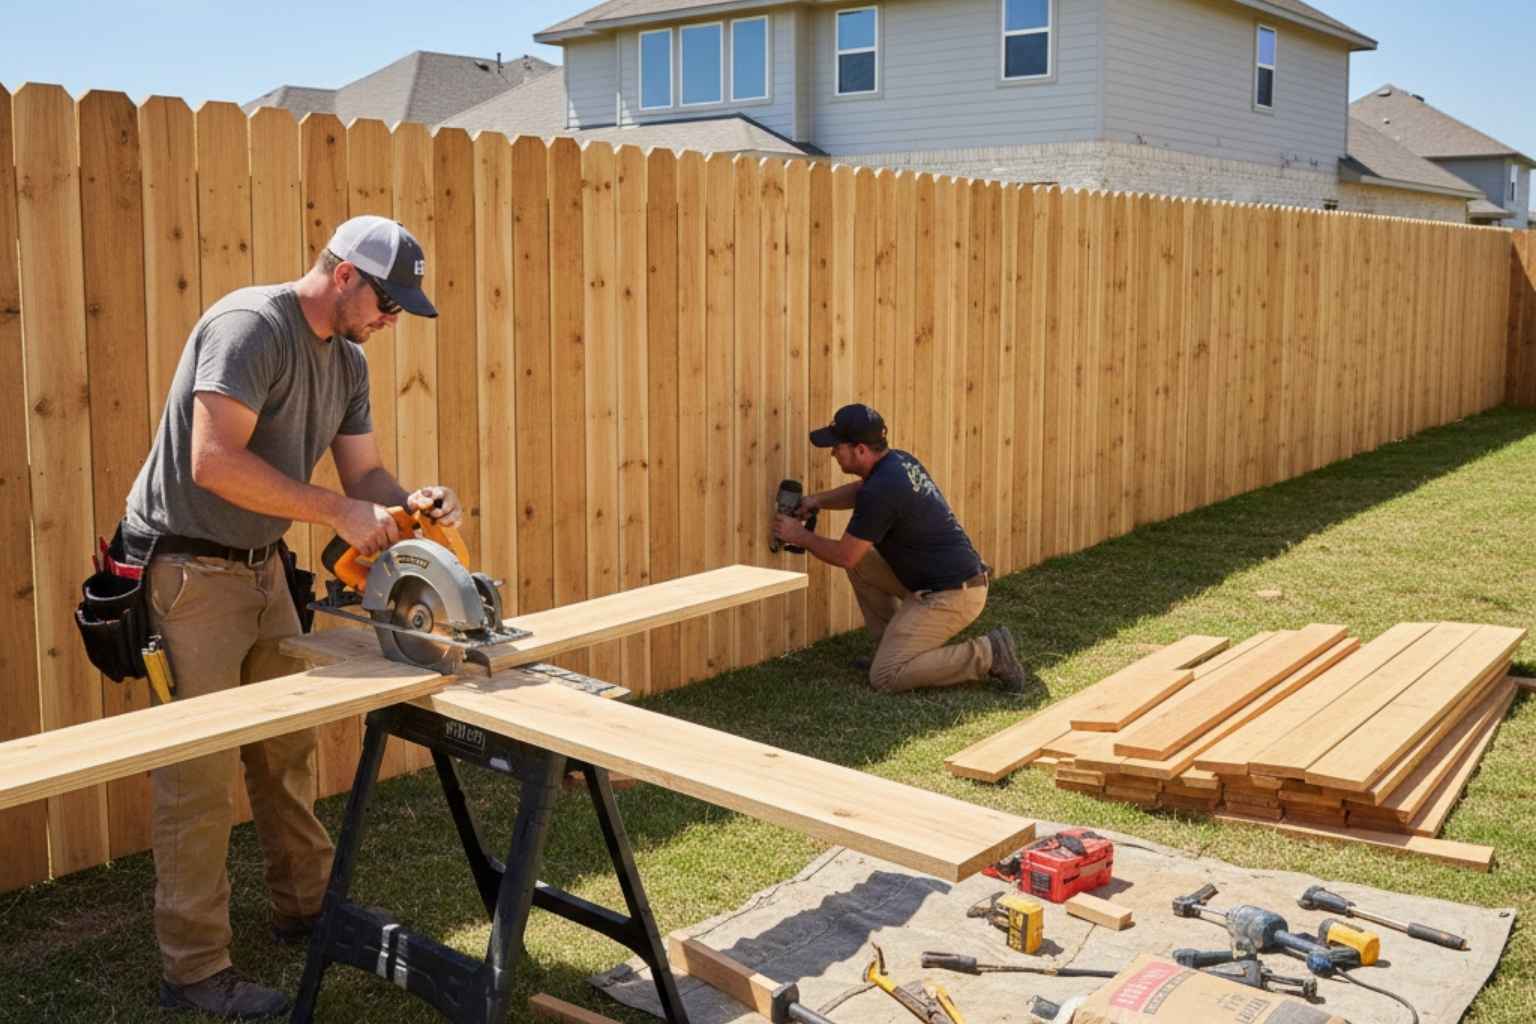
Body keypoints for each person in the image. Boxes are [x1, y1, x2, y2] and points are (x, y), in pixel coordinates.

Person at [117, 215, 456, 1019]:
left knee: (285, 751)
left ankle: (305, 909)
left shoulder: (346, 360)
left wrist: (409, 505)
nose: (391, 319)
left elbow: (364, 472)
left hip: (263, 565)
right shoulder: (250, 327)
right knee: (197, 775)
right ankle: (195, 972)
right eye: (387, 301)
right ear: (343, 276)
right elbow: (212, 461)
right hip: (186, 569)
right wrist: (336, 511)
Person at [772, 403, 1032, 695]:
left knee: (885, 676)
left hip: (954, 595)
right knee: (862, 563)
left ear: (859, 449)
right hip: (937, 581)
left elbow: (845, 554)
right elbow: (861, 492)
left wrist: (800, 536)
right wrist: (816, 501)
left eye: (837, 446)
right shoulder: (896, 462)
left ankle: (989, 654)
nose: (832, 452)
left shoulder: (882, 490)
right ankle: (889, 647)